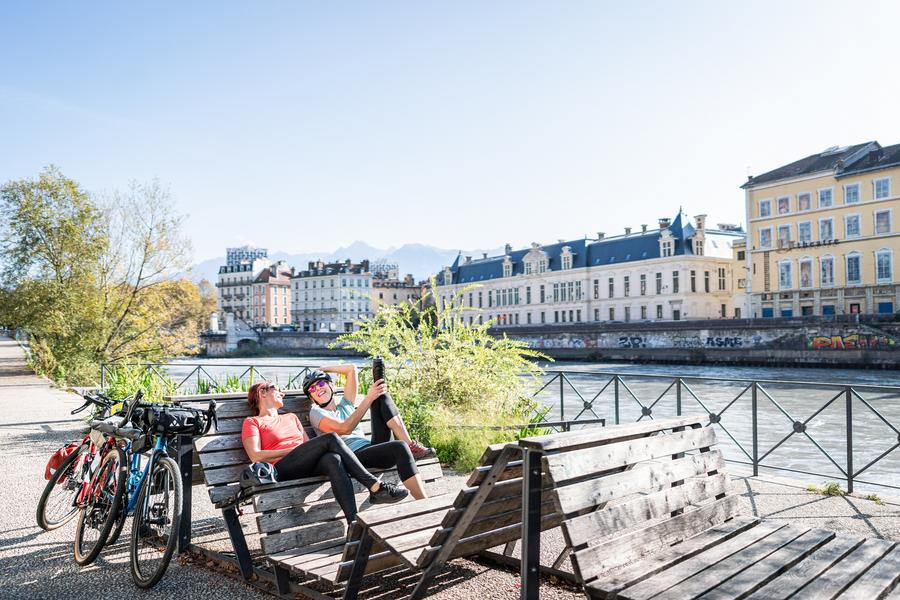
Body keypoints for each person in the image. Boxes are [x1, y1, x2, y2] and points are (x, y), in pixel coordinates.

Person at [241, 381, 408, 524]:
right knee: (331, 438)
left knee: (333, 459)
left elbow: (308, 446)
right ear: (262, 392)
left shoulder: (291, 417)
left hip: (304, 463)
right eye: (276, 388)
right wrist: (295, 450)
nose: (282, 393)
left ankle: (354, 523)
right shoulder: (253, 422)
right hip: (281, 469)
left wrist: (304, 451)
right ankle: (375, 487)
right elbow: (255, 455)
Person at [305, 364, 435, 501]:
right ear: (312, 399)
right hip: (354, 458)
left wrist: (322, 369)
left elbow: (351, 369)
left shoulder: (345, 405)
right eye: (312, 389)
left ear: (331, 386)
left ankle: (411, 445)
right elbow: (345, 429)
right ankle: (424, 502)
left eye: (320, 383)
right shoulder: (316, 413)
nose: (318, 388)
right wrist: (369, 398)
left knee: (381, 396)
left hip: (372, 449)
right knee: (399, 447)